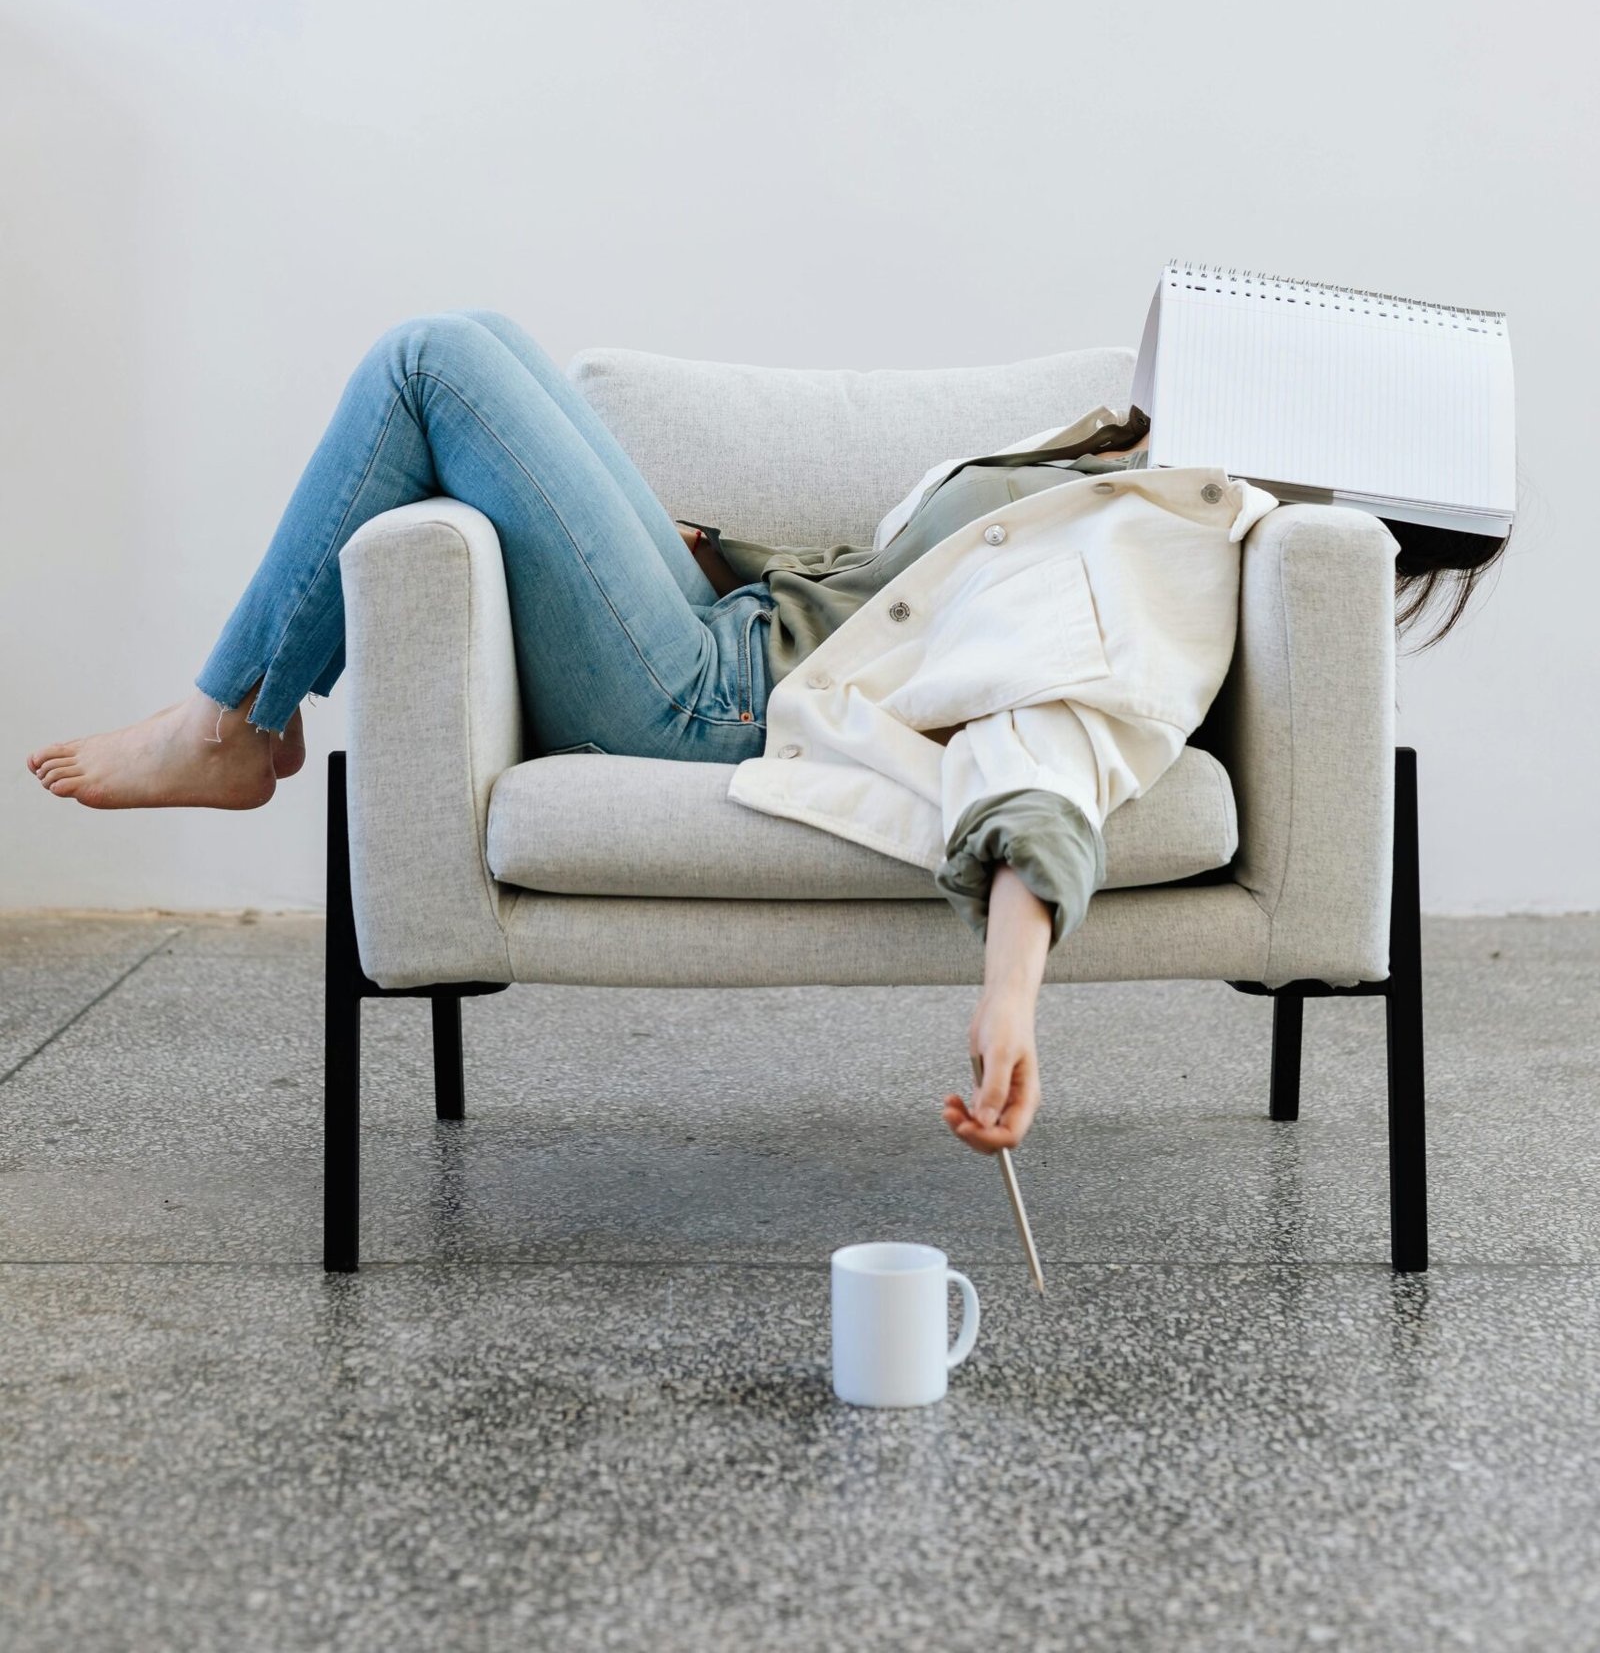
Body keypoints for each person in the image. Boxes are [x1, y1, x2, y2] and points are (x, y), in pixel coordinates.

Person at [27, 310, 1505, 1161]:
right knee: (467, 339)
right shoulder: (1138, 465)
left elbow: (1054, 743)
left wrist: (1012, 997)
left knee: (432, 359)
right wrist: (711, 556)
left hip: (710, 702)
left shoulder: (1189, 548)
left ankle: (232, 722)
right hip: (720, 626)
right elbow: (894, 599)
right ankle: (236, 714)